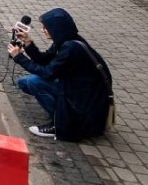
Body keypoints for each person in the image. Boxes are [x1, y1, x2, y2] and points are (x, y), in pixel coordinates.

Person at [8, 8, 112, 141]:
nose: (43, 30)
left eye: (46, 28)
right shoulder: (66, 40)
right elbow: (43, 59)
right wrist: (28, 43)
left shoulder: (70, 48)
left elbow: (47, 73)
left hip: (85, 102)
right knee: (24, 82)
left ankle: (60, 124)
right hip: (79, 91)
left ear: (56, 28)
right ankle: (60, 111)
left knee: (34, 82)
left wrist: (19, 57)